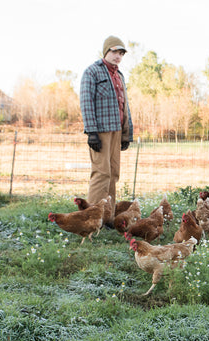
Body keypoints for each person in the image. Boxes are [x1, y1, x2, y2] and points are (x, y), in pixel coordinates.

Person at [80, 35, 134, 224]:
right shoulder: (92, 72)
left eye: (121, 53)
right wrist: (91, 132)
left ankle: (107, 216)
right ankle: (91, 217)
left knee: (113, 173)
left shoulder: (119, 76)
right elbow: (86, 102)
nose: (117, 56)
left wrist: (126, 133)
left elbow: (125, 106)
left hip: (117, 131)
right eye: (114, 51)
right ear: (106, 51)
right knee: (101, 173)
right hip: (100, 131)